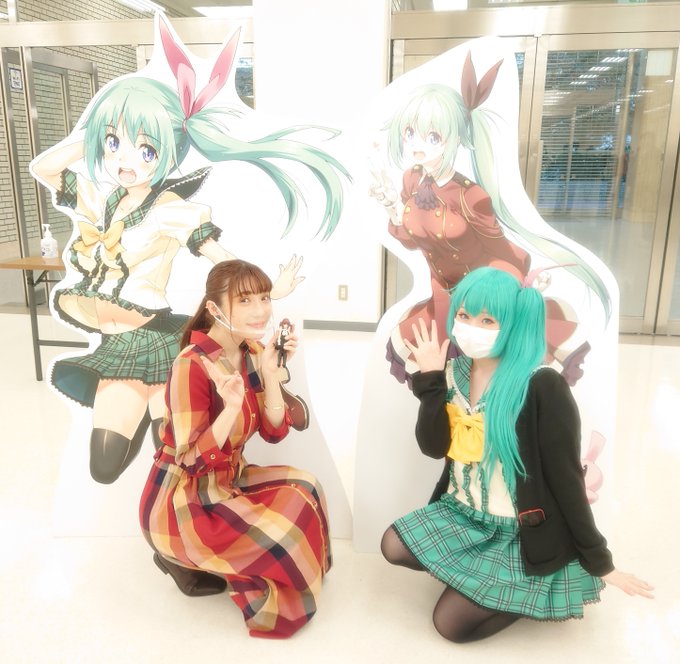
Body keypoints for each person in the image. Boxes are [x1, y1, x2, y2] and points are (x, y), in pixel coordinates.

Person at [30, 18, 348, 484]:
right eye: (114, 144)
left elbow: (219, 256)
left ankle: (247, 418)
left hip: (155, 342)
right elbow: (45, 168)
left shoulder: (170, 210)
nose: (125, 161)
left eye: (146, 149)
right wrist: (97, 126)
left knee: (181, 458)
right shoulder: (99, 200)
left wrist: (264, 289)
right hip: (116, 346)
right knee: (105, 465)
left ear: (168, 152)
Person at [380, 267, 652, 643]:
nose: (470, 327)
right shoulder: (453, 372)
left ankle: (520, 596)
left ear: (513, 324)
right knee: (392, 545)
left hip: (516, 531)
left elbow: (566, 479)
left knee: (450, 626)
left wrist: (601, 562)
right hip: (461, 512)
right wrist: (429, 382)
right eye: (464, 316)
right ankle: (480, 579)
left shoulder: (541, 385)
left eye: (487, 320)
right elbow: (433, 447)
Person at [370, 53, 610, 386]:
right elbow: (413, 239)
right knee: (440, 372)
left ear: (456, 138)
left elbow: (501, 252)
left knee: (491, 374)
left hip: (480, 298)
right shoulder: (412, 179)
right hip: (442, 294)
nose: (417, 146)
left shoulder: (472, 197)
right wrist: (390, 205)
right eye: (409, 133)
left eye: (432, 137)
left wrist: (517, 292)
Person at [139, 260, 331, 639]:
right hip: (184, 499)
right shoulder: (191, 366)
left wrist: (271, 375)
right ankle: (180, 557)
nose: (260, 310)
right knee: (284, 537)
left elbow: (274, 431)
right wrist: (229, 409)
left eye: (264, 297)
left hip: (227, 479)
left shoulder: (251, 350)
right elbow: (191, 460)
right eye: (244, 300)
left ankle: (240, 565)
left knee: (307, 487)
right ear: (214, 308)